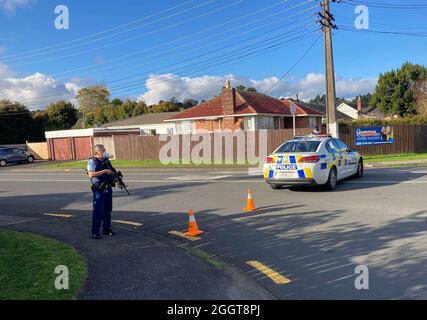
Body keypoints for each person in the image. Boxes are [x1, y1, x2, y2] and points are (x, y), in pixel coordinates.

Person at [87, 144, 117, 239]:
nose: (105, 152)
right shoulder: (92, 161)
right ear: (97, 153)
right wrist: (104, 171)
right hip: (99, 189)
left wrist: (117, 179)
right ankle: (95, 232)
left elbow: (112, 172)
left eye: (105, 150)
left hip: (108, 188)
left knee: (108, 209)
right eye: (103, 151)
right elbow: (91, 174)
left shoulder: (106, 161)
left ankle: (107, 229)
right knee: (98, 211)